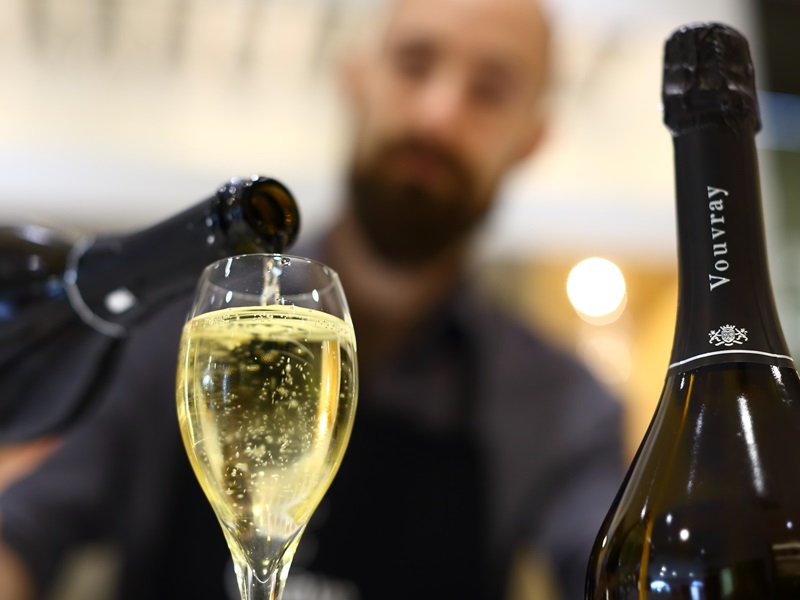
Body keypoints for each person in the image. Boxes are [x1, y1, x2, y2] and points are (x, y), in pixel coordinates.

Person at [0, 0, 626, 598]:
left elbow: (614, 572)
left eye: (490, 91)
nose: (438, 114)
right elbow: (22, 528)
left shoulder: (564, 405)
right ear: (355, 76)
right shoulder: (177, 331)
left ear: (532, 137)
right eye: (413, 64)